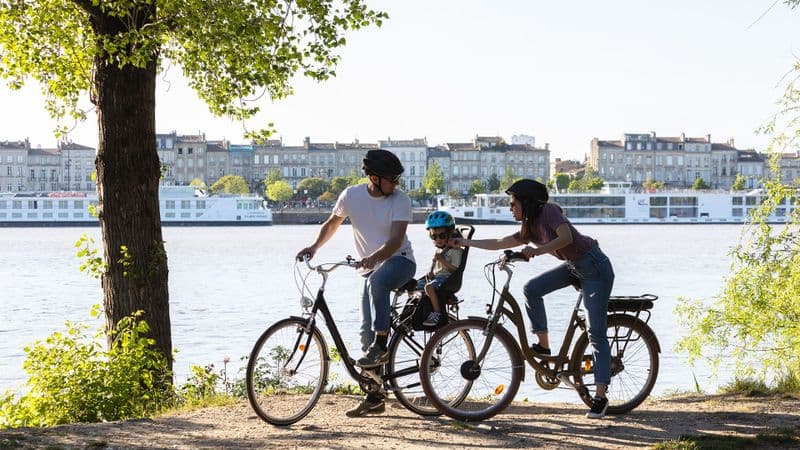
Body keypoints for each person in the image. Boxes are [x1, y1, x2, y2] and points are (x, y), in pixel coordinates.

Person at [449, 179, 615, 419]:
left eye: (513, 203)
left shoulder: (547, 211)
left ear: (527, 202)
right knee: (532, 288)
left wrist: (536, 251)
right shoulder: (530, 225)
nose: (510, 208)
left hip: (595, 268)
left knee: (595, 332)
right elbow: (501, 243)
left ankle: (600, 397)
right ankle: (544, 345)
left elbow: (566, 237)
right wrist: (465, 243)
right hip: (574, 266)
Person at [296, 149, 416, 417]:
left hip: (401, 262)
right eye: (391, 179)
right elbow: (333, 223)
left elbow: (396, 241)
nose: (396, 184)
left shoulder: (400, 200)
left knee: (378, 285)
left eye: (397, 179)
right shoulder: (351, 196)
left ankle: (382, 345)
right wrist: (314, 247)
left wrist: (373, 258)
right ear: (374, 178)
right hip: (370, 272)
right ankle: (374, 397)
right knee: (365, 334)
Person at [417, 211, 463, 327]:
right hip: (438, 277)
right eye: (434, 236)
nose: (438, 239)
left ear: (450, 233)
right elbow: (437, 269)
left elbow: (455, 270)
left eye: (442, 236)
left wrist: (442, 260)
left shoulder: (455, 251)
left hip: (447, 279)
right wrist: (431, 273)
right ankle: (420, 311)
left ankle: (437, 313)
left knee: (429, 287)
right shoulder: (440, 249)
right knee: (415, 285)